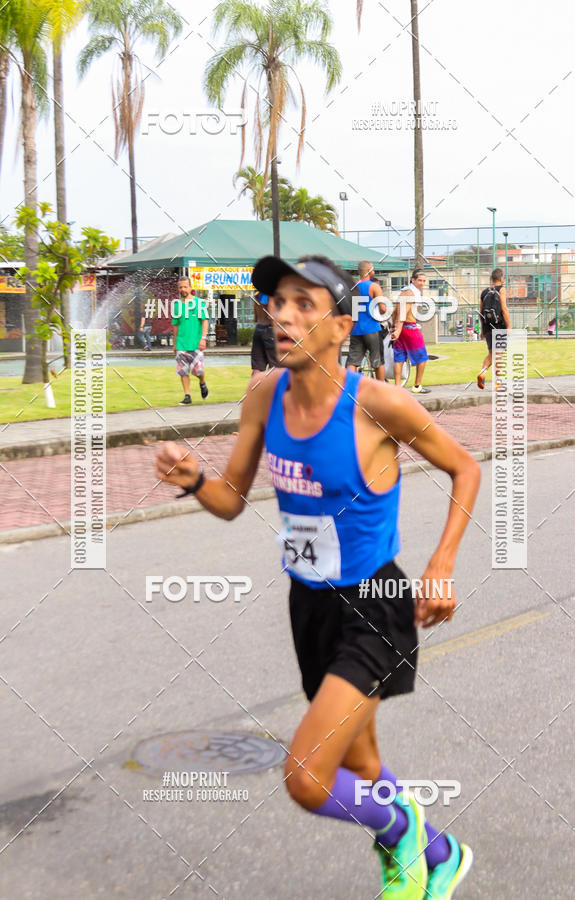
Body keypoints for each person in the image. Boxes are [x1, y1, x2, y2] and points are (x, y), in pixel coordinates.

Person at [156, 253, 480, 899]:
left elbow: (465, 468)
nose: (283, 315)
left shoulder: (378, 404)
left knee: (307, 777)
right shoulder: (263, 396)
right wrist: (192, 479)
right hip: (309, 606)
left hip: (376, 606)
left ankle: (405, 827)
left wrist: (441, 564)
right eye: (278, 301)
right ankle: (441, 855)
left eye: (305, 303)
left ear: (340, 326)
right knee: (361, 763)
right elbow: (230, 500)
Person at [391, 270, 431, 393]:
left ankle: (397, 387)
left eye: (424, 281)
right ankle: (417, 386)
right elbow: (403, 312)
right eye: (420, 280)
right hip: (409, 328)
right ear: (413, 280)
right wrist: (398, 329)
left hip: (400, 328)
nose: (422, 283)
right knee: (422, 357)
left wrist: (394, 326)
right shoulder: (411, 293)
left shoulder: (403, 292)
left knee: (399, 358)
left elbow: (395, 311)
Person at [171, 275, 209, 405]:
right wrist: (175, 344)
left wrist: (203, 338)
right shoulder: (176, 305)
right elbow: (175, 325)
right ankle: (187, 396)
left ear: (190, 287)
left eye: (185, 287)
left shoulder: (199, 303)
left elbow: (205, 321)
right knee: (183, 371)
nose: (183, 289)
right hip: (181, 343)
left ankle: (202, 382)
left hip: (196, 343)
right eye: (180, 287)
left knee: (198, 371)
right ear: (178, 288)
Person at [347, 260, 387, 380]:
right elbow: (383, 309)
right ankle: (380, 388)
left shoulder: (352, 287)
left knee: (352, 361)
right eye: (373, 269)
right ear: (369, 270)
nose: (374, 271)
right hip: (372, 328)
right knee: (377, 361)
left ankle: (349, 387)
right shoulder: (374, 286)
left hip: (356, 329)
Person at [476, 268, 511, 390]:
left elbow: (481, 312)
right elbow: (504, 309)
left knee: (492, 353)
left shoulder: (484, 292)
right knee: (499, 354)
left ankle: (482, 372)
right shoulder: (502, 289)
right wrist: (509, 326)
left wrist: (482, 330)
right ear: (501, 278)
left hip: (488, 326)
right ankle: (498, 383)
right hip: (499, 326)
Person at [251, 291, 278, 374]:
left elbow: (255, 316)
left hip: (258, 328)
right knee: (274, 367)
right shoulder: (271, 293)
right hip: (270, 329)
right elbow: (271, 315)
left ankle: (256, 383)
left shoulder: (258, 295)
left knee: (257, 368)